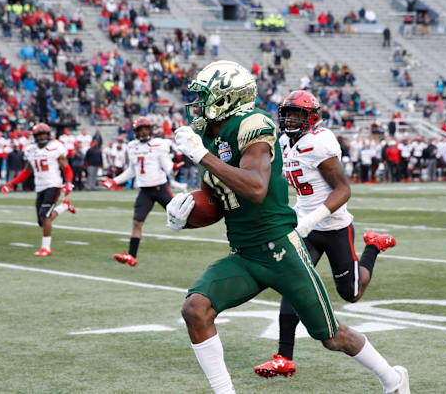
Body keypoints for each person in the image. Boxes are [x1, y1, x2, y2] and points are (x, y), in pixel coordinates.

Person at [167, 60, 409, 394]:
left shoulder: (253, 124)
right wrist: (186, 214)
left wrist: (202, 158)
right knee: (195, 308)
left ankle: (393, 380)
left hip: (280, 249)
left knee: (330, 336)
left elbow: (255, 187)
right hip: (244, 254)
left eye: (205, 96)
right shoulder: (209, 136)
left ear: (228, 97)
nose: (198, 104)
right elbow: (221, 202)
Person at [253, 90, 398, 378]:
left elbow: (343, 190)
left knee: (351, 293)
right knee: (292, 280)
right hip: (305, 226)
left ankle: (373, 247)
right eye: (288, 113)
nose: (290, 119)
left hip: (333, 227)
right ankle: (284, 356)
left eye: (297, 114)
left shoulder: (320, 142)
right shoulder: (283, 142)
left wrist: (312, 220)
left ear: (311, 117)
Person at [100, 117, 178, 266]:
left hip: (160, 188)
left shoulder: (159, 144)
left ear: (150, 130)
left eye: (145, 129)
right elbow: (131, 170)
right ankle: (131, 256)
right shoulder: (132, 146)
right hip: (145, 192)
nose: (143, 133)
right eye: (140, 130)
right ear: (135, 132)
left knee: (181, 215)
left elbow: (168, 167)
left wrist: (173, 169)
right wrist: (114, 181)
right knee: (137, 223)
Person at [1, 123, 76, 256]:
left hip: (54, 184)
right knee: (41, 221)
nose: (42, 137)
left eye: (44, 134)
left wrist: (68, 182)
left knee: (45, 215)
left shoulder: (56, 147)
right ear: (35, 137)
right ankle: (64, 207)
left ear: (48, 135)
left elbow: (66, 167)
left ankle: (46, 248)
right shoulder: (31, 150)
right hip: (40, 186)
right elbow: (27, 171)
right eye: (39, 135)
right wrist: (12, 183)